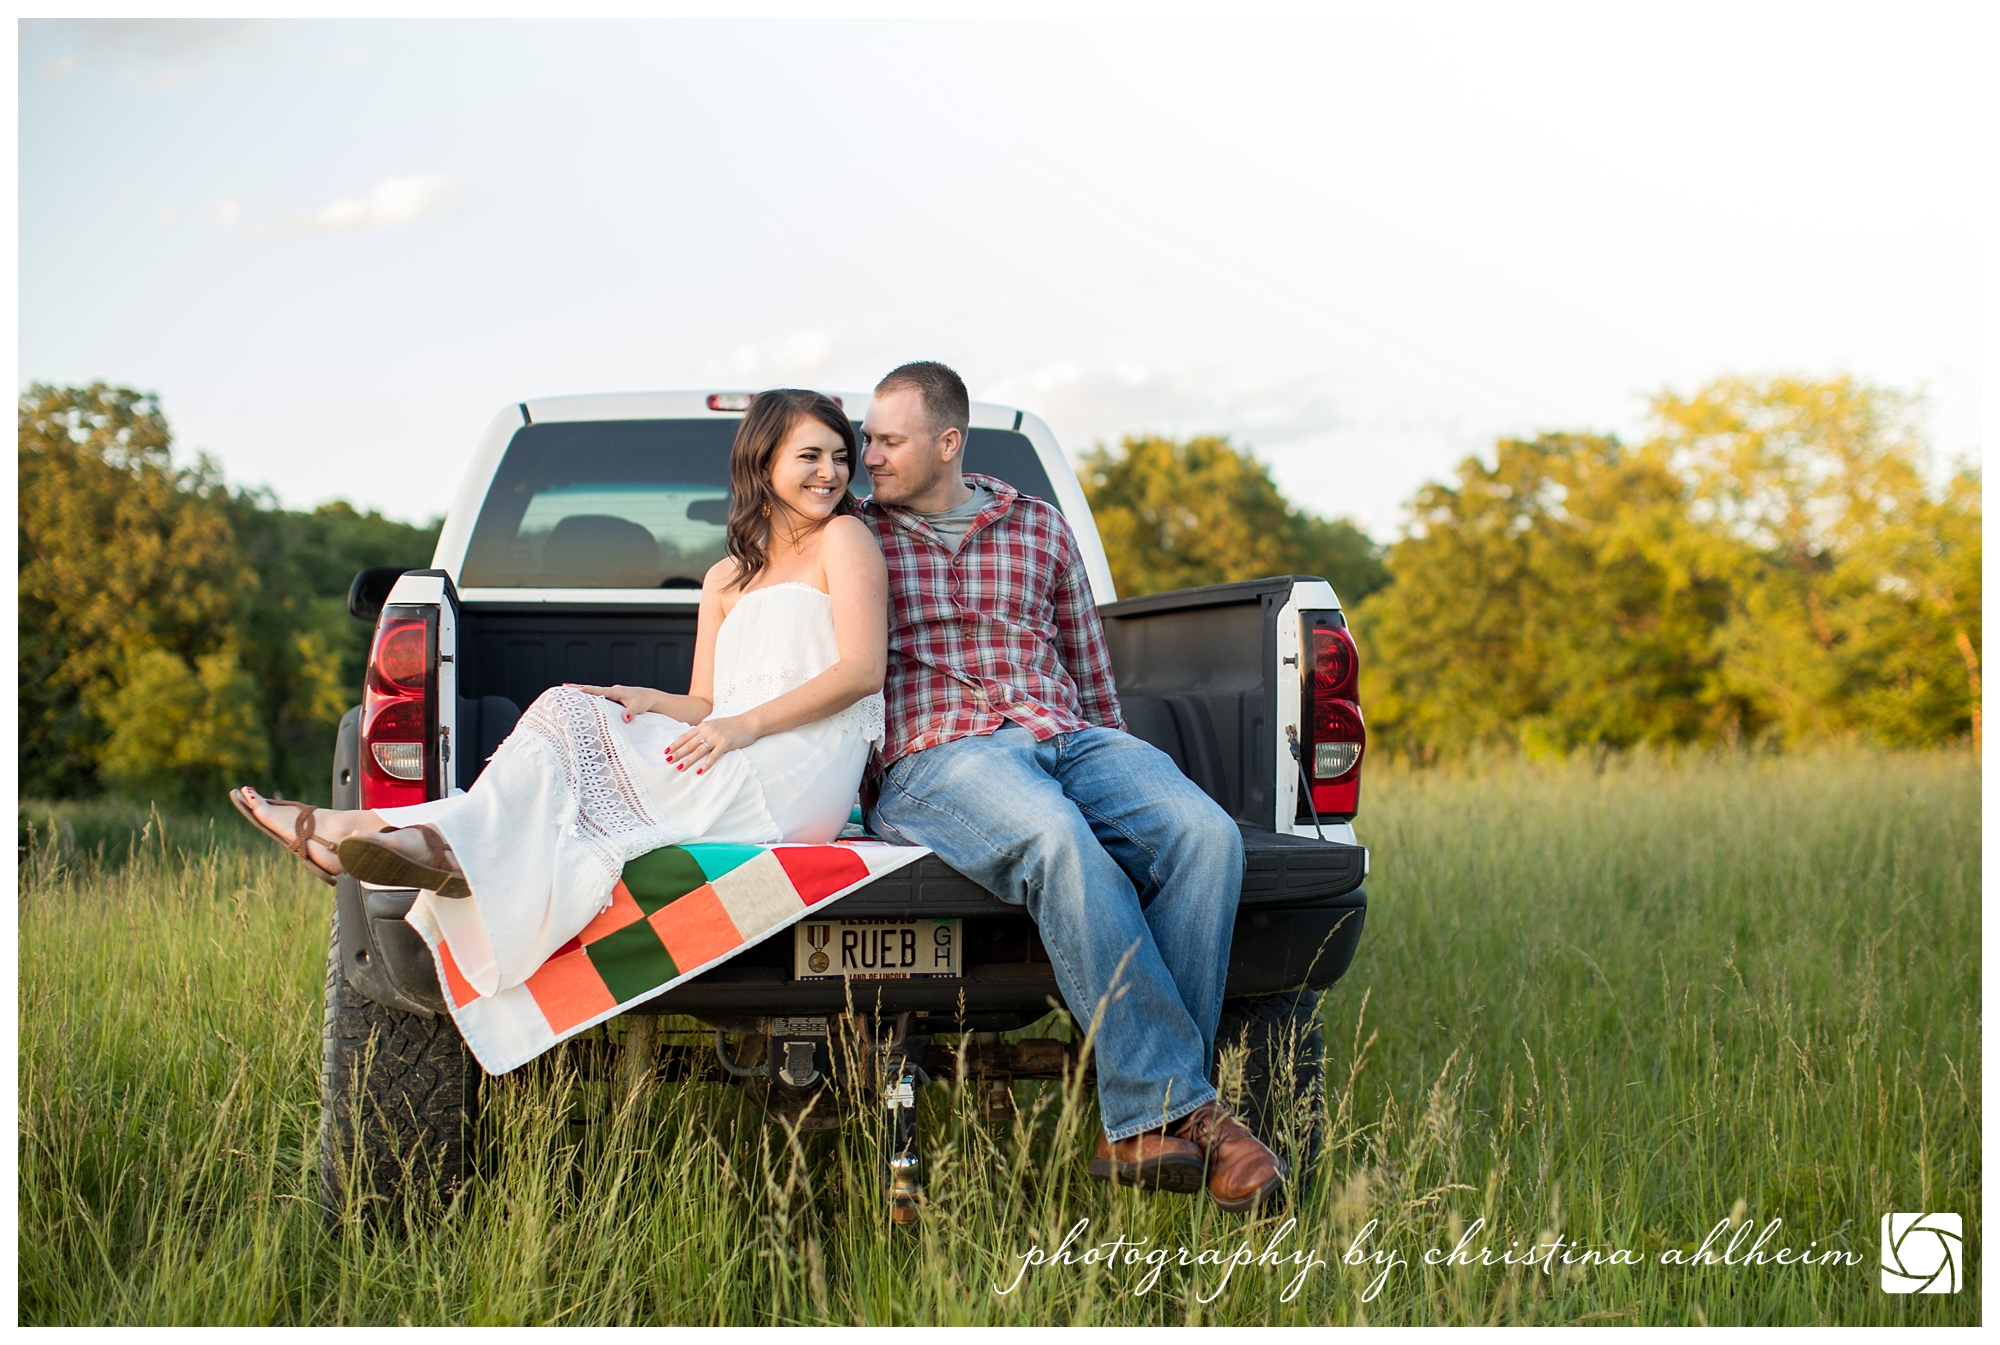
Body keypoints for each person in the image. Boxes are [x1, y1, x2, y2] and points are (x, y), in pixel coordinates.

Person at [230, 388, 888, 1000]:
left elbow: (861, 671)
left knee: (574, 736)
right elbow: (706, 703)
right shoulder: (724, 578)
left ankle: (400, 833)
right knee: (569, 703)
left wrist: (744, 726)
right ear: (763, 463)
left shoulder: (845, 538)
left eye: (839, 457)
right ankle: (426, 839)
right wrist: (645, 699)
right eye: (810, 455)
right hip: (736, 745)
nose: (830, 471)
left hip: (800, 768)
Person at [856, 360, 1286, 1213]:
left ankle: (1150, 1113)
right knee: (1058, 837)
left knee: (1204, 836)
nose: (868, 455)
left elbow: (1090, 672)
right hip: (942, 754)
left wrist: (1124, 770)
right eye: (866, 437)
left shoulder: (1040, 527)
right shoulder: (855, 533)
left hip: (1066, 733)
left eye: (886, 439)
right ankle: (1175, 1113)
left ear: (948, 442)